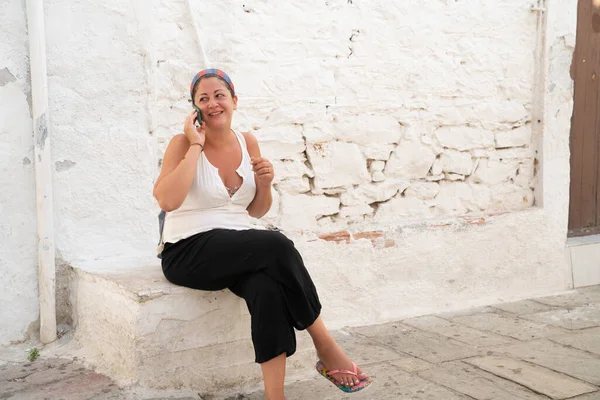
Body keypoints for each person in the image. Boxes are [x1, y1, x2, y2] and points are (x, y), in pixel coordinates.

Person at [153, 69, 372, 399]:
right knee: (277, 244)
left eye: (219, 95)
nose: (213, 103)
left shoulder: (248, 142)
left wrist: (265, 183)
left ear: (234, 101)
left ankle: (275, 396)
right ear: (194, 108)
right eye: (203, 98)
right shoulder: (182, 143)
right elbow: (167, 200)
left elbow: (255, 212)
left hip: (239, 245)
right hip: (187, 249)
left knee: (267, 288)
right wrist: (195, 146)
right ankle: (325, 345)